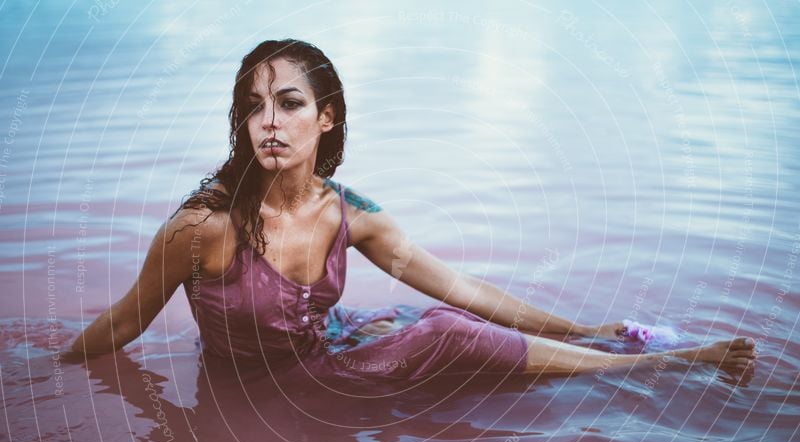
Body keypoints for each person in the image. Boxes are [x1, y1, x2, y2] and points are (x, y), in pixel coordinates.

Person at [60, 39, 756, 382]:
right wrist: (45, 370)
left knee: (440, 313)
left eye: (290, 102)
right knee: (445, 332)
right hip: (276, 387)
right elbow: (125, 319)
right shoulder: (202, 230)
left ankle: (606, 339)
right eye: (252, 106)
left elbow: (462, 285)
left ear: (326, 118)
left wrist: (587, 323)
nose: (268, 121)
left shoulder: (351, 213)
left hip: (329, 348)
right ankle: (671, 364)